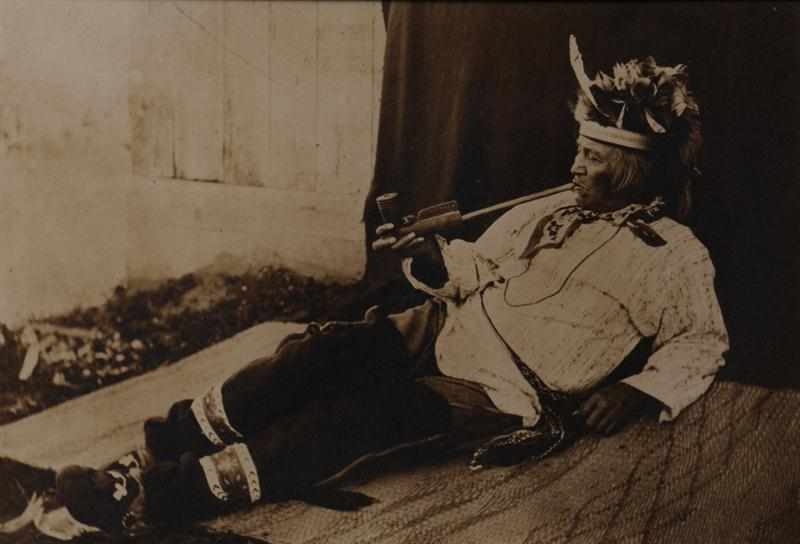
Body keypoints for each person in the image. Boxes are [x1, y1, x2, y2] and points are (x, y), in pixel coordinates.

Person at [53, 37, 728, 538]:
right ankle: (151, 452)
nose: (576, 166)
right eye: (580, 151)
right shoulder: (547, 211)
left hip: (496, 391)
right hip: (443, 329)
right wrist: (430, 257)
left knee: (347, 419)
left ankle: (159, 499)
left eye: (595, 158)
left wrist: (635, 392)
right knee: (310, 357)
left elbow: (701, 339)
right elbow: (470, 270)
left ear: (642, 172)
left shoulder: (674, 256)